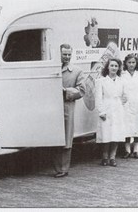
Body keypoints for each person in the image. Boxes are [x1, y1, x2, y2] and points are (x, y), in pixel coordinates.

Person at [53, 44, 86, 178]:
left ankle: (63, 168)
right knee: (54, 137)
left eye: (68, 54)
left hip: (67, 106)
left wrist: (66, 91)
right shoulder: (52, 69)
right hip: (52, 108)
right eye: (64, 54)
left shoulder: (77, 71)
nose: (66, 57)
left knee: (66, 137)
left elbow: (82, 90)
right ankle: (55, 166)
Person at [95, 58, 127, 167]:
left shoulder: (121, 81)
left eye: (116, 66)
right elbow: (98, 98)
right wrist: (101, 111)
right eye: (112, 65)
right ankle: (105, 157)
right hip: (106, 108)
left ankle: (112, 157)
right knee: (106, 134)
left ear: (118, 68)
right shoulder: (101, 81)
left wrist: (124, 99)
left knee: (116, 134)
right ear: (107, 67)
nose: (114, 68)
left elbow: (124, 95)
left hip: (118, 109)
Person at [121, 54, 138, 159]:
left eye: (133, 62)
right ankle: (127, 150)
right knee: (126, 127)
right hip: (126, 104)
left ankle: (136, 150)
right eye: (129, 62)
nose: (131, 65)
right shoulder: (122, 74)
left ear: (136, 63)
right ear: (126, 63)